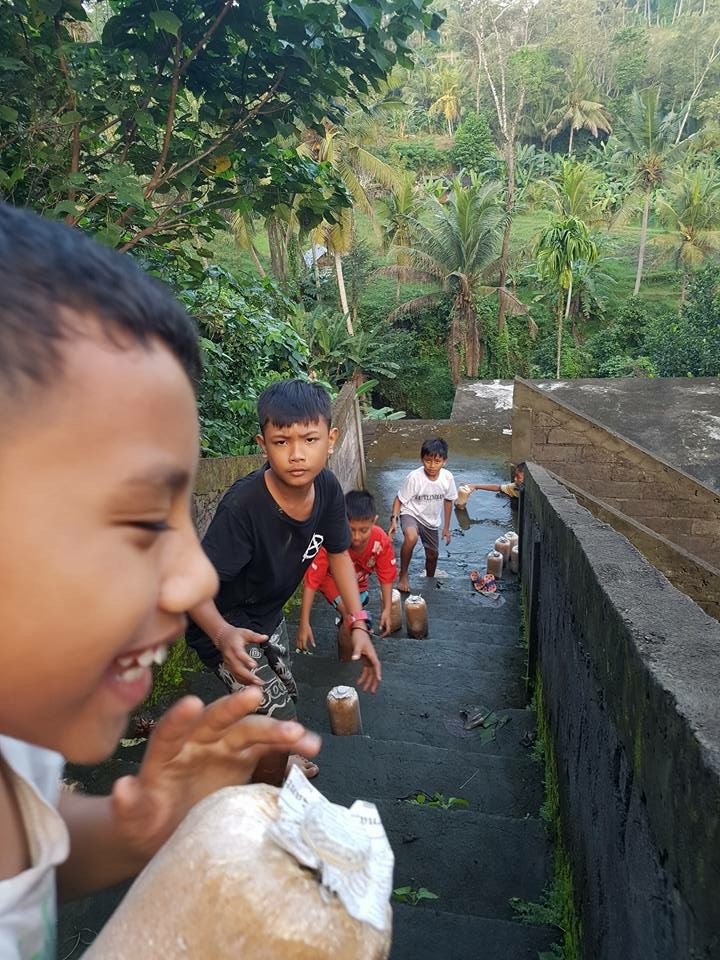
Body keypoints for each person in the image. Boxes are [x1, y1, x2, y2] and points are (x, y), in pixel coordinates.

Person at [0, 203, 321, 960]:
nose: (194, 577)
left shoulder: (21, 737)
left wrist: (141, 821)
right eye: (146, 520)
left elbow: (30, 849)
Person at [186, 380, 382, 786]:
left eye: (309, 439)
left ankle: (278, 754)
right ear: (263, 444)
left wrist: (359, 622)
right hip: (222, 624)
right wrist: (221, 634)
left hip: (269, 615)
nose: (296, 454)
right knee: (273, 718)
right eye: (281, 441)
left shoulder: (327, 488)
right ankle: (268, 791)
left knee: (287, 693)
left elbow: (340, 553)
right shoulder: (244, 509)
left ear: (331, 439)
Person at [296, 490, 398, 659]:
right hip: (331, 582)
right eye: (351, 530)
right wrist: (304, 622)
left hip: (359, 586)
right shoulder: (331, 539)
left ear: (374, 521)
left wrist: (386, 609)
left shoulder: (380, 541)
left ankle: (350, 640)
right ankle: (345, 662)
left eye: (364, 530)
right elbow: (312, 581)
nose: (356, 537)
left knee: (352, 619)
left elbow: (386, 575)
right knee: (350, 617)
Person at [388, 437, 458, 593]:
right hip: (411, 513)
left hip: (431, 521)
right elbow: (399, 499)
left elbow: (448, 501)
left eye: (437, 462)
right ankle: (403, 574)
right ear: (422, 459)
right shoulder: (414, 477)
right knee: (411, 537)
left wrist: (446, 528)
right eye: (428, 461)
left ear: (444, 461)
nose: (432, 466)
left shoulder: (447, 478)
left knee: (432, 555)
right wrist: (394, 520)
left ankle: (430, 579)